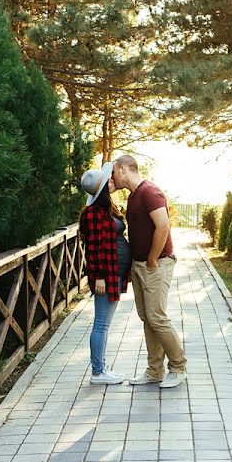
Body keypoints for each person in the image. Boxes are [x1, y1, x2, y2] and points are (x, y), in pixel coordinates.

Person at [111, 154, 187, 388]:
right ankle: (155, 370)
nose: (112, 177)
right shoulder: (134, 196)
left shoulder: (149, 191)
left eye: (114, 172)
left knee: (157, 317)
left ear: (123, 169)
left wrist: (153, 259)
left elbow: (163, 226)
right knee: (148, 319)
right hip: (140, 265)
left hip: (157, 263)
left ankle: (178, 367)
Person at [79, 162, 131, 385]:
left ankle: (102, 368)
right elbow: (93, 248)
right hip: (105, 274)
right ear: (100, 189)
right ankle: (98, 372)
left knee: (104, 324)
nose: (112, 180)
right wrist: (98, 276)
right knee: (101, 323)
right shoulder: (91, 214)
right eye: (107, 180)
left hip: (115, 271)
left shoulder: (106, 208)